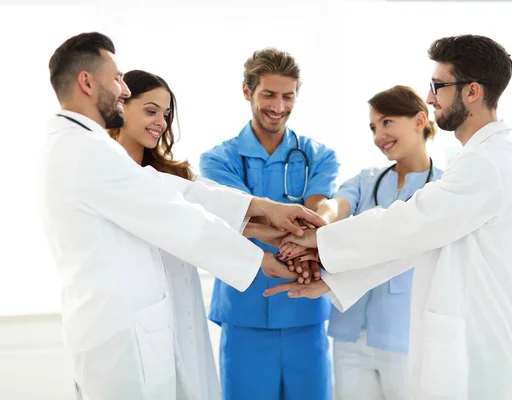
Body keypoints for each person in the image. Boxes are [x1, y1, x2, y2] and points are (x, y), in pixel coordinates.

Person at [40, 32, 324, 400]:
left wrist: (262, 212)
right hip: (120, 337)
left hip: (125, 331)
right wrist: (261, 260)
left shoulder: (81, 147)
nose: (122, 90)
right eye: (116, 79)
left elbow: (171, 189)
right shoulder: (88, 152)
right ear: (86, 82)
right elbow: (173, 215)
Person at [266, 34, 512, 400]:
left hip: (475, 346)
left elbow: (411, 223)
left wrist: (321, 239)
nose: (429, 96)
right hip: (453, 341)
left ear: (472, 91)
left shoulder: (489, 163)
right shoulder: (476, 161)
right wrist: (336, 282)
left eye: (438, 86)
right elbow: (419, 241)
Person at [283, 85, 443, 400]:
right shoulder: (367, 179)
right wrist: (320, 226)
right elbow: (337, 204)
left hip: (405, 336)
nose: (378, 135)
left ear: (419, 120)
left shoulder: (442, 187)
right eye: (373, 127)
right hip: (349, 334)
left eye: (386, 122)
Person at [200, 48, 339, 400]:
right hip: (243, 310)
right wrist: (300, 231)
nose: (278, 106)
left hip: (304, 310)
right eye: (268, 94)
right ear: (247, 92)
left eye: (287, 96)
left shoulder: (319, 156)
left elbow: (318, 208)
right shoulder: (218, 160)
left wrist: (313, 223)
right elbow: (237, 213)